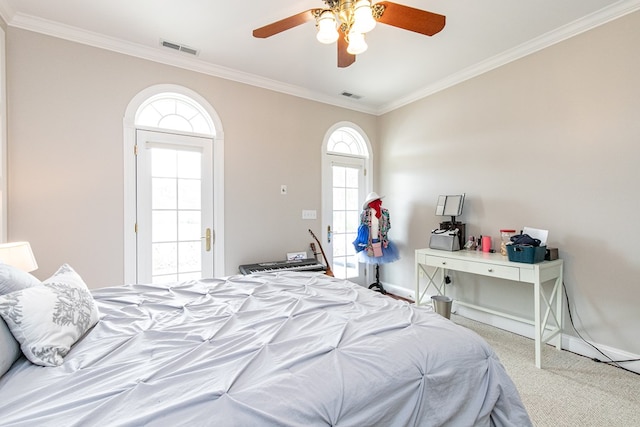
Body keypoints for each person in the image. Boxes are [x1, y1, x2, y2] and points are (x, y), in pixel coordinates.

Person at [353, 192, 399, 292]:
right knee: (373, 257)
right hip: (369, 242)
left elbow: (388, 226)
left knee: (379, 257)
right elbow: (362, 228)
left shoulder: (385, 212)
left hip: (381, 241)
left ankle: (378, 282)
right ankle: (376, 282)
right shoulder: (364, 213)